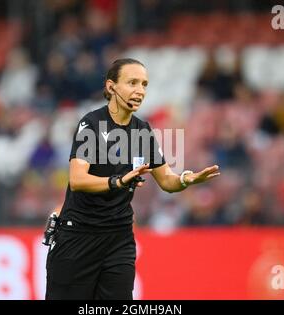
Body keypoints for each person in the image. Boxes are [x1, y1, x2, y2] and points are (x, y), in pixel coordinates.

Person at [45, 58, 220, 300]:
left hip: (119, 239)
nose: (140, 90)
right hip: (78, 237)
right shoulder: (92, 124)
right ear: (111, 87)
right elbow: (77, 179)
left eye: (144, 84)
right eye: (132, 82)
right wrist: (117, 182)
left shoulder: (142, 131)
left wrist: (186, 179)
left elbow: (166, 180)